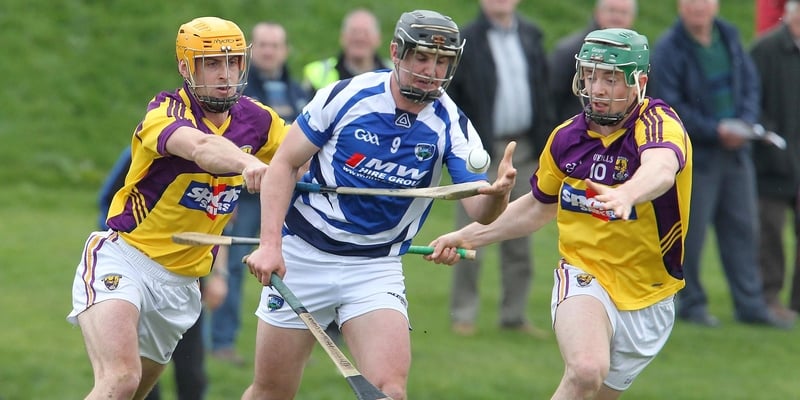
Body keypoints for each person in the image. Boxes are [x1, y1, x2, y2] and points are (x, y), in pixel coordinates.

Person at [241, 10, 517, 400]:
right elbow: (284, 165)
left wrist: (498, 194)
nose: (431, 70)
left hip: (375, 267)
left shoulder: (452, 124)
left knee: (389, 392)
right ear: (396, 52)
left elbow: (478, 210)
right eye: (422, 57)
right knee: (272, 392)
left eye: (442, 62)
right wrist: (270, 245)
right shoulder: (347, 96)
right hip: (303, 255)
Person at [429, 28, 691, 400]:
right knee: (586, 371)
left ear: (639, 81)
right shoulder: (567, 139)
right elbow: (537, 207)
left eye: (611, 78)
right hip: (585, 274)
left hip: (651, 295)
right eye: (591, 75)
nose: (597, 88)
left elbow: (662, 168)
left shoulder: (658, 123)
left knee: (592, 392)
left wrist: (627, 194)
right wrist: (466, 235)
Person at [67, 16, 289, 399]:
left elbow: (300, 156)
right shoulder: (164, 114)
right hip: (125, 259)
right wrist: (249, 163)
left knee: (134, 393)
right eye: (212, 64)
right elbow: (202, 148)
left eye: (233, 61)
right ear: (186, 68)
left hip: (183, 286)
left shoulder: (259, 121)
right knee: (120, 380)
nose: (225, 74)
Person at [650, 0, 792, 329]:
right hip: (697, 155)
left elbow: (750, 85)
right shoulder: (669, 48)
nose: (698, 8)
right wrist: (713, 130)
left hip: (736, 153)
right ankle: (691, 304)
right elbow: (670, 104)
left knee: (743, 230)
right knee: (691, 233)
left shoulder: (728, 35)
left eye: (705, 2)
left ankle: (750, 305)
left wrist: (744, 121)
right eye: (691, 2)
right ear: (679, 6)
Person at [445, 0, 555, 337]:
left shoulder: (532, 35)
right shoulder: (466, 39)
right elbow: (454, 97)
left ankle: (514, 314)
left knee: (521, 232)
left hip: (524, 149)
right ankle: (463, 313)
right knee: (471, 230)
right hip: (481, 151)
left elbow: (543, 92)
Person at [209, 21, 309, 366]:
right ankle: (222, 342)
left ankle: (296, 344)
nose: (269, 51)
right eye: (262, 45)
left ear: (285, 50)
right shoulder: (236, 94)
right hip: (244, 195)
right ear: (253, 52)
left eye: (275, 45)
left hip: (289, 196)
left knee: (295, 264)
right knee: (234, 265)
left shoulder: (299, 90)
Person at [97, 147, 229, 399]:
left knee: (191, 371)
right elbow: (107, 205)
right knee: (138, 372)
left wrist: (219, 275)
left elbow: (217, 225)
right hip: (138, 277)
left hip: (188, 281)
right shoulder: (143, 154)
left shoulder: (220, 160)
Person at [749, 0, 800, 320]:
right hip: (772, 160)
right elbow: (750, 100)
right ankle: (769, 298)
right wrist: (770, 136)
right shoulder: (764, 51)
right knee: (770, 233)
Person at [549, 0, 638, 122]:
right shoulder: (569, 51)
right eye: (612, 10)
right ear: (597, 13)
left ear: (633, 17)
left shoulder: (639, 56)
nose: (617, 17)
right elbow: (550, 100)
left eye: (623, 12)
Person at [301, 8, 390, 95]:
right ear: (342, 37)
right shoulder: (319, 73)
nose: (359, 38)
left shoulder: (394, 73)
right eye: (354, 32)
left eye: (366, 33)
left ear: (378, 39)